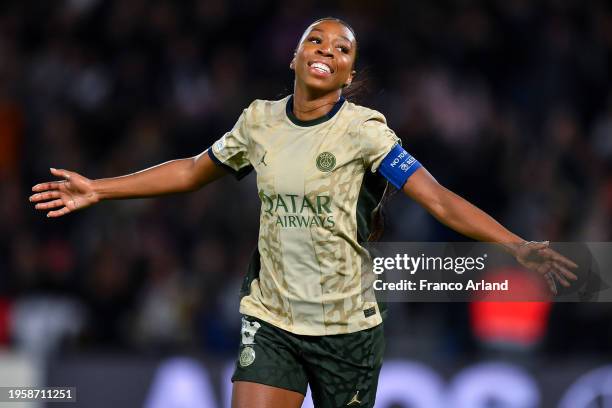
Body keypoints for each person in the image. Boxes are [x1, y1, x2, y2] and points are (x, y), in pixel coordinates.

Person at [29, 17, 577, 408]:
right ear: (294, 57)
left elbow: (436, 198)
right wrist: (100, 188)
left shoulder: (366, 131)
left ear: (347, 76)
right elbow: (193, 171)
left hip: (346, 328)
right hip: (272, 319)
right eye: (315, 39)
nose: (326, 49)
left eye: (342, 49)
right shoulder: (259, 121)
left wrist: (515, 244)